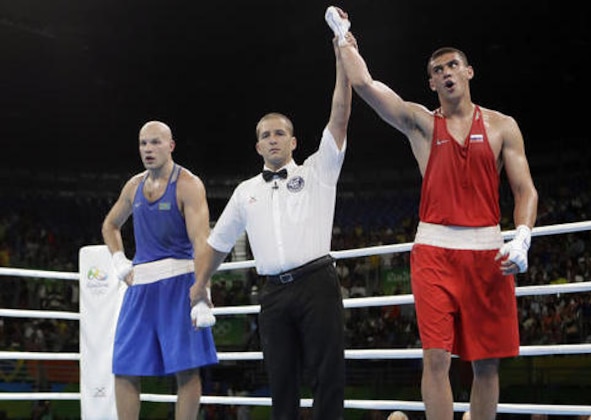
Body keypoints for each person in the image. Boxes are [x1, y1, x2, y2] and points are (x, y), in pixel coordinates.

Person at [325, 6, 539, 420]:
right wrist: (343, 36)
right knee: (436, 358)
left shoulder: (502, 126)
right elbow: (365, 84)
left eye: (453, 65)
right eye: (438, 69)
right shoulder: (421, 123)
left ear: (469, 72)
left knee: (487, 363)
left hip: (489, 251)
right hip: (435, 250)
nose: (446, 72)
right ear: (431, 82)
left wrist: (524, 234)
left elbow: (524, 189)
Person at [190, 35, 352, 420]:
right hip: (273, 296)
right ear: (258, 147)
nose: (273, 139)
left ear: (294, 141)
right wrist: (198, 288)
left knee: (328, 376)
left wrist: (342, 57)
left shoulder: (319, 170)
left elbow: (341, 114)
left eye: (279, 133)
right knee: (281, 382)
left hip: (317, 283)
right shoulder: (245, 192)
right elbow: (218, 244)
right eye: (265, 135)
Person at [101, 120, 219, 420]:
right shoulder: (133, 185)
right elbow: (110, 225)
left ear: (171, 146)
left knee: (186, 369)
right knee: (124, 366)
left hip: (180, 283)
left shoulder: (188, 185)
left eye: (155, 142)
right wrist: (119, 261)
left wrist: (203, 289)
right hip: (140, 286)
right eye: (143, 143)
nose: (148, 149)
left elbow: (201, 241)